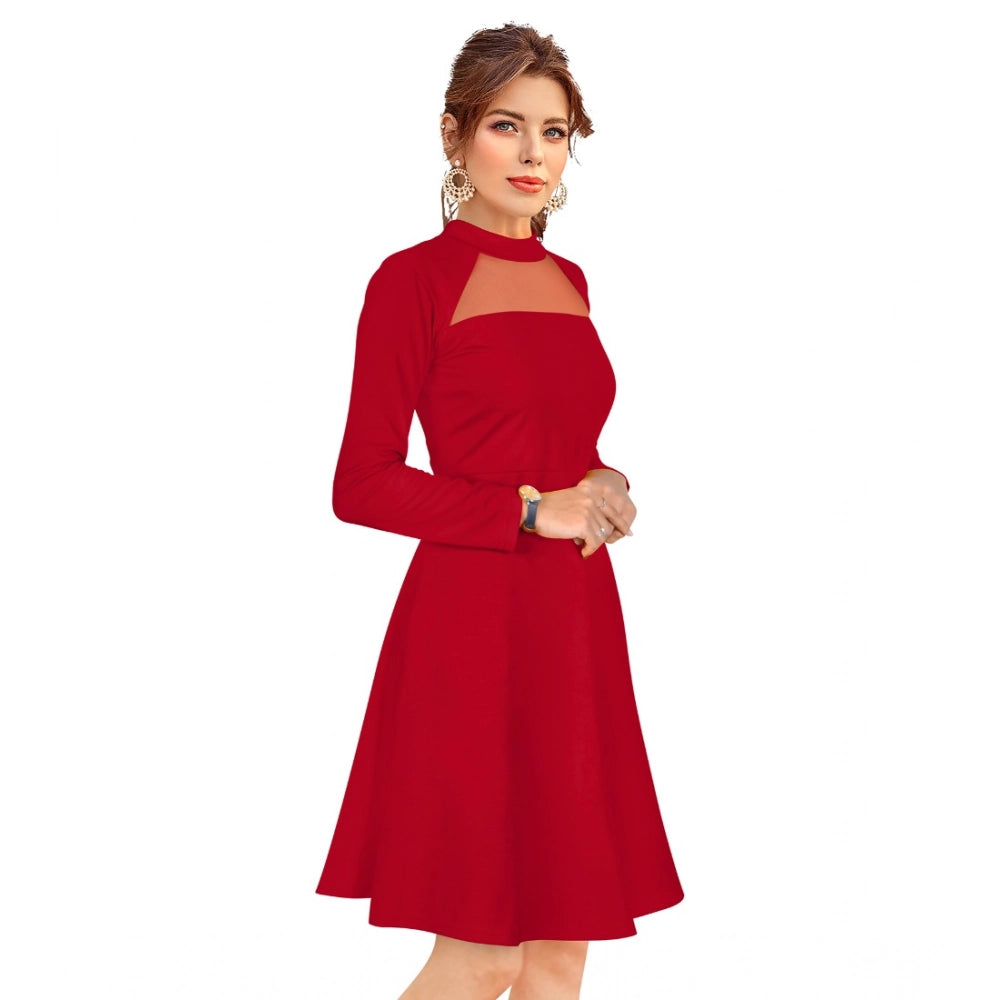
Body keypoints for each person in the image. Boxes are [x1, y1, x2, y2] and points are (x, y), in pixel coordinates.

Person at [315, 23, 684, 1000]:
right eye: (506, 126)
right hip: (471, 625)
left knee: (560, 952)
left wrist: (601, 481)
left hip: (574, 623)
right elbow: (360, 482)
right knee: (482, 956)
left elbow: (554, 444)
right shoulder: (412, 281)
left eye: (553, 132)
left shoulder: (570, 281)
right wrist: (528, 513)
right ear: (454, 136)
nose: (532, 153)